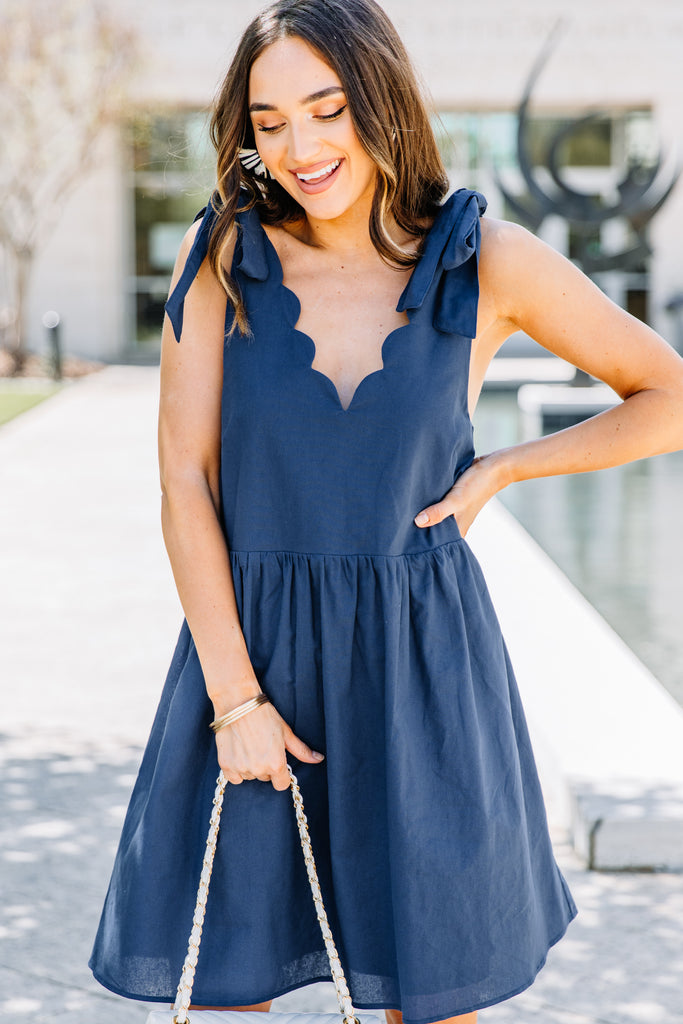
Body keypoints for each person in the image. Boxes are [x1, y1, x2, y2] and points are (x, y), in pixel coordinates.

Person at [89, 0, 683, 1021]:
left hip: (425, 674)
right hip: (250, 659)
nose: (300, 146)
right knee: (233, 989)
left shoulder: (483, 258)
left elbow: (662, 395)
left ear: (380, 101)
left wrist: (501, 469)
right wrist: (235, 700)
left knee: (432, 994)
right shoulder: (224, 256)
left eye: (325, 110)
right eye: (268, 123)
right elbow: (182, 481)